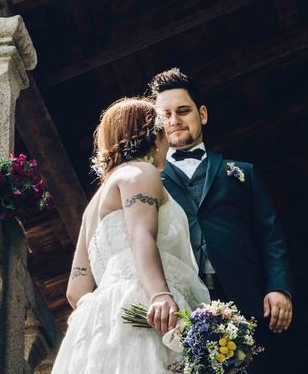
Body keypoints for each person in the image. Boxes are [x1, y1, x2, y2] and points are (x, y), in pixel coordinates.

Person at [52, 98, 210, 374]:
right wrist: (160, 294)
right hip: (149, 306)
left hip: (106, 323)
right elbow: (141, 235)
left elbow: (76, 290)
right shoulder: (141, 172)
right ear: (155, 135)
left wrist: (104, 317)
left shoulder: (93, 207)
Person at [149, 68, 293, 367]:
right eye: (166, 115)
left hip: (245, 297)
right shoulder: (148, 180)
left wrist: (278, 287)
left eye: (183, 111)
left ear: (202, 114)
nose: (174, 120)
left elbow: (270, 235)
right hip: (182, 302)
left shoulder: (242, 173)